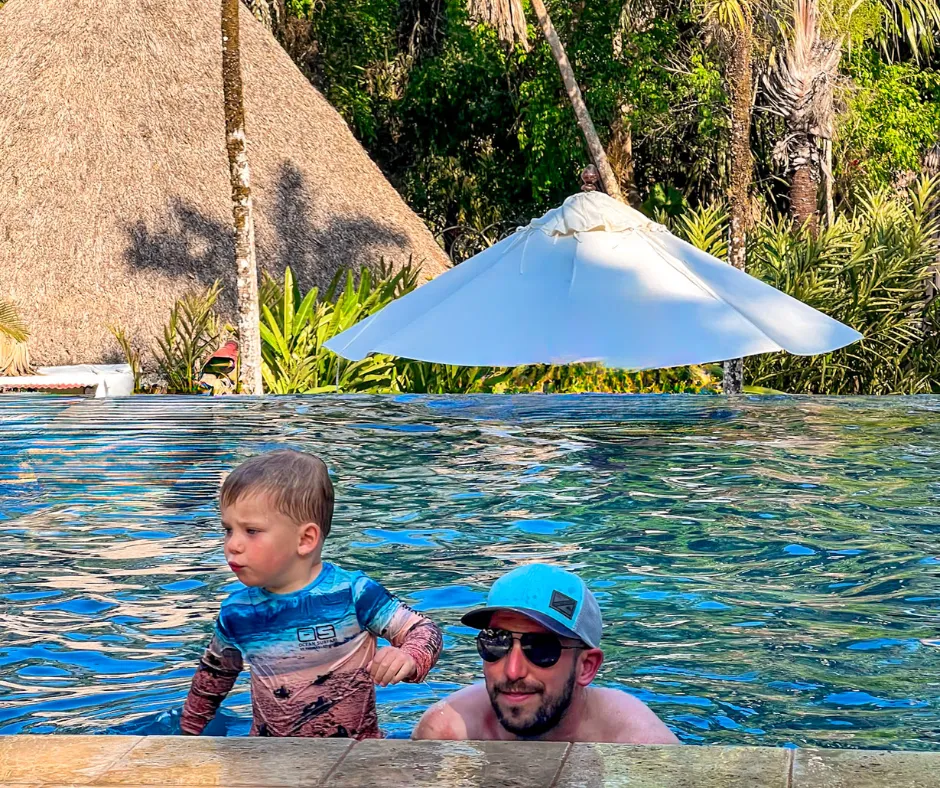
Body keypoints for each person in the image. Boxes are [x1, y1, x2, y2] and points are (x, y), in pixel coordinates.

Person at [181, 449, 443, 738]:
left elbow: (423, 629)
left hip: (354, 755)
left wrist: (408, 657)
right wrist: (185, 738)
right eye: (228, 530)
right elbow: (210, 684)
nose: (233, 544)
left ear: (305, 539)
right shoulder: (237, 613)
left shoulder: (352, 595)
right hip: (268, 757)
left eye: (251, 531)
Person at [413, 563, 678, 744]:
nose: (513, 670)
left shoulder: (637, 745)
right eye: (497, 643)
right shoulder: (449, 731)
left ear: (586, 667)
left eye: (540, 649)